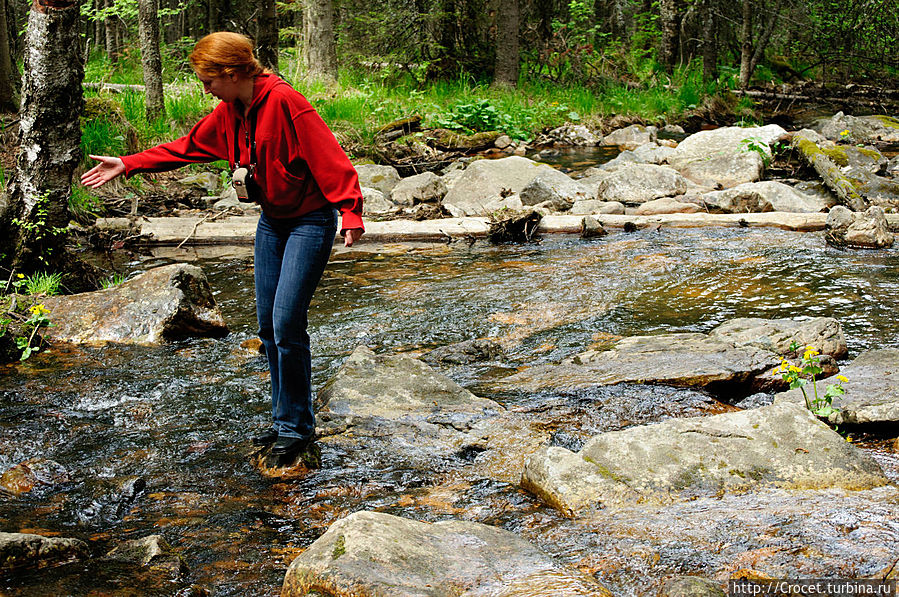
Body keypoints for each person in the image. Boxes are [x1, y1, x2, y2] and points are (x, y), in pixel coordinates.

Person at [81, 32, 364, 456]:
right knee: (268, 327)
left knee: (287, 324)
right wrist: (128, 163)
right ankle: (286, 420)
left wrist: (351, 210)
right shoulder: (231, 109)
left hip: (310, 222)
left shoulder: (287, 103)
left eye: (208, 80)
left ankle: (297, 429)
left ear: (231, 73)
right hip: (272, 223)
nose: (206, 89)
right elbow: (189, 147)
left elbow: (330, 157)